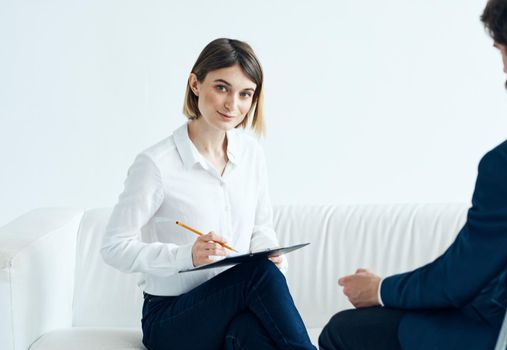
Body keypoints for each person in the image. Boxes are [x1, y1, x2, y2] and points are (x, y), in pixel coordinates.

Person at [101, 38, 315, 350]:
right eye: (222, 88)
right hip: (171, 317)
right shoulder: (156, 164)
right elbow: (113, 247)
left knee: (255, 330)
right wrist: (184, 255)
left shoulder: (251, 154)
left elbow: (261, 227)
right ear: (195, 84)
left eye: (245, 94)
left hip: (232, 307)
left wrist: (269, 251)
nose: (233, 105)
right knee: (258, 275)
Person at [318, 1, 507, 349]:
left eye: (501, 52)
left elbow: (456, 281)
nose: (503, 70)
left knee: (343, 331)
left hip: (488, 333)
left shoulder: (503, 165)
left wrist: (379, 289)